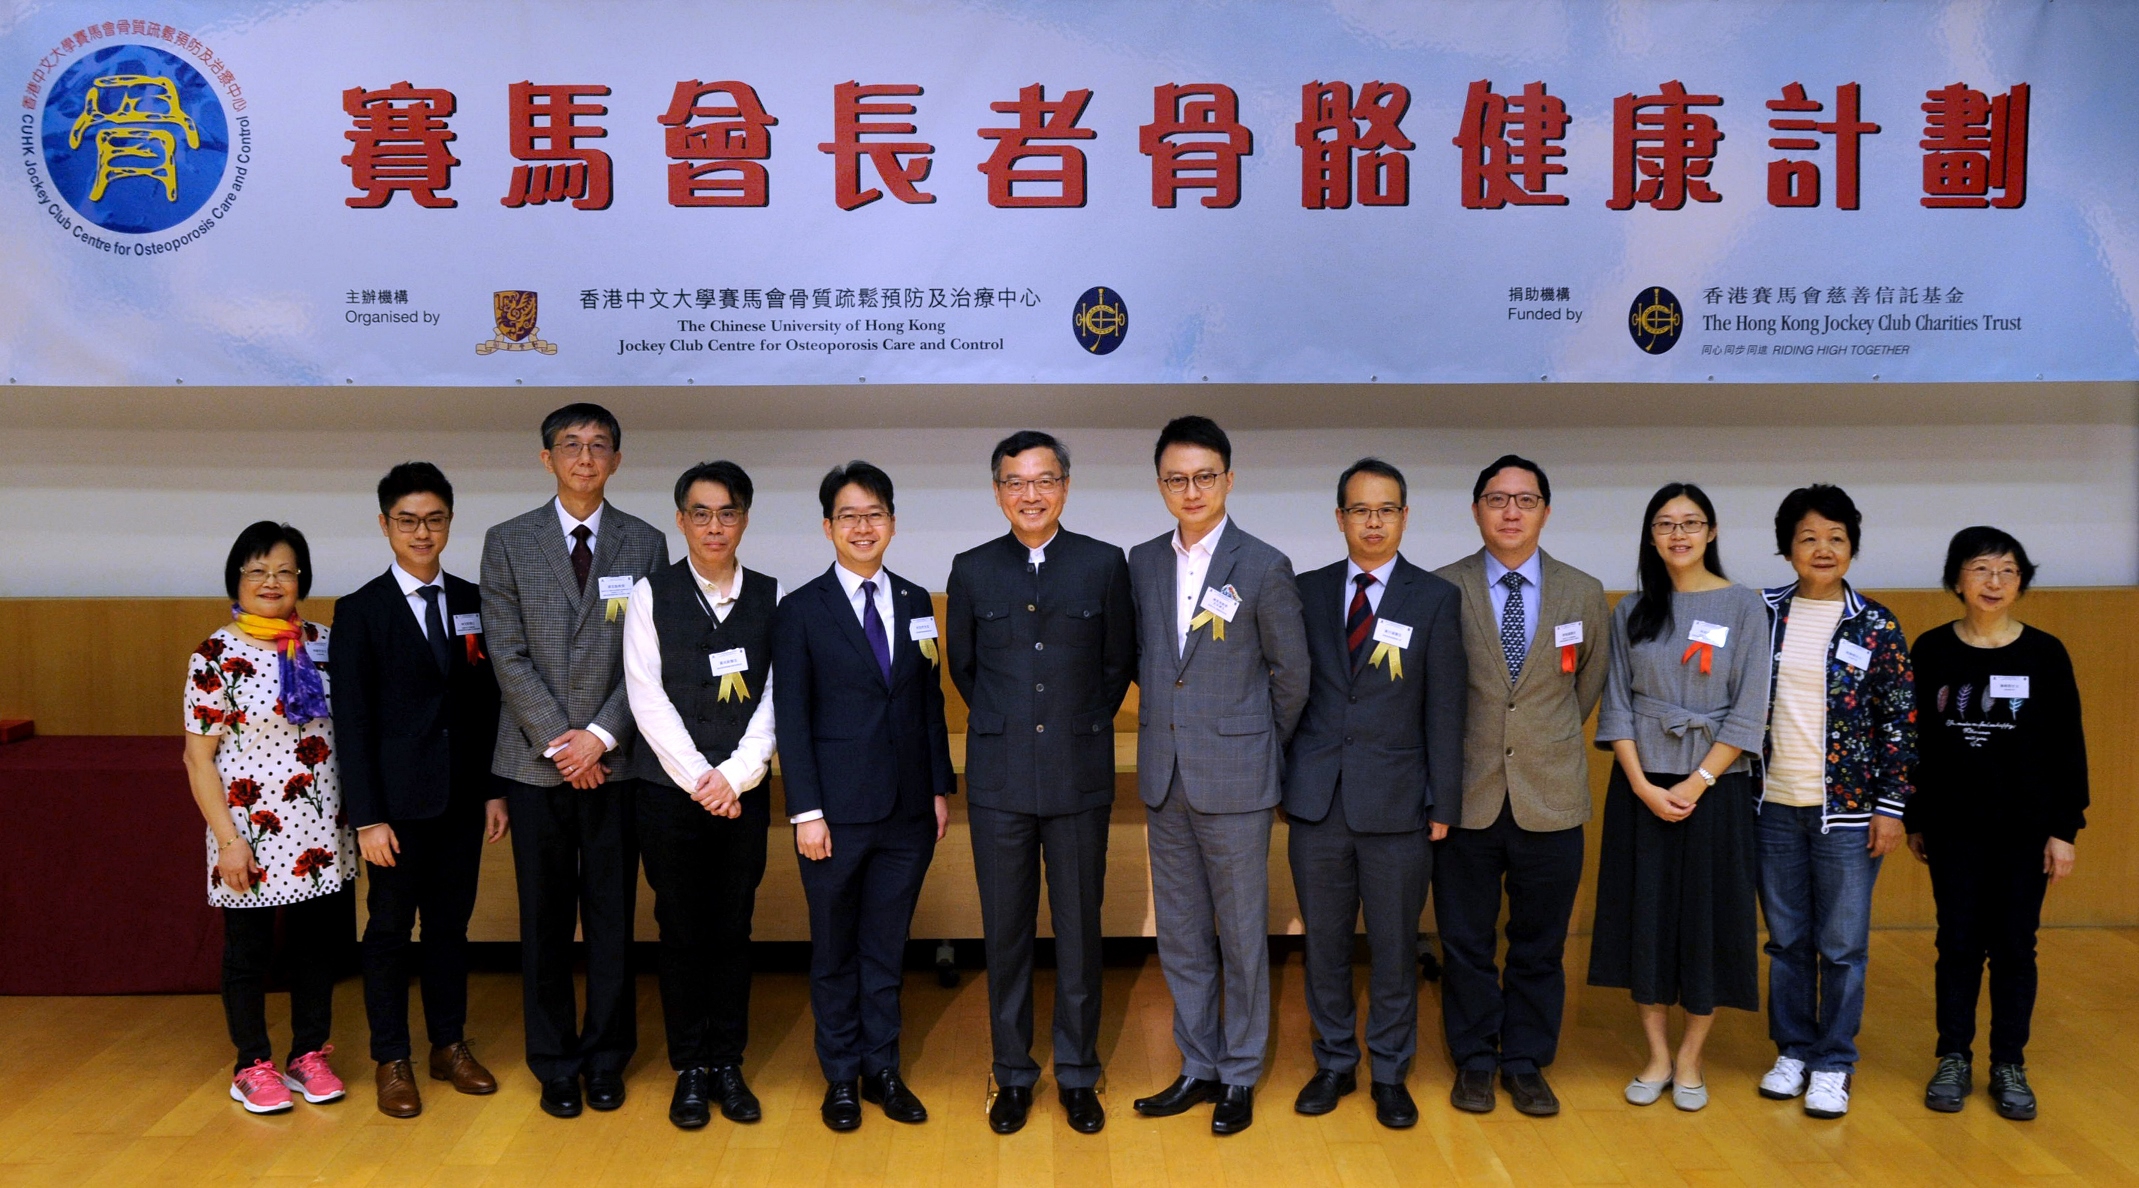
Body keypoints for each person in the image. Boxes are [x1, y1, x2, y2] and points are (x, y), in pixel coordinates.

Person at [480, 403, 669, 1118]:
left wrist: (601, 737)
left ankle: (607, 1057)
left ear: (617, 460)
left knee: (615, 918)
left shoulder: (645, 543)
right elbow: (507, 653)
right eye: (570, 445)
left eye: (599, 446)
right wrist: (564, 742)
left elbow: (647, 662)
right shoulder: (507, 542)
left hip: (617, 765)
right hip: (535, 766)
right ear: (546, 458)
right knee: (545, 919)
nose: (585, 457)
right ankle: (554, 1059)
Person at [945, 431, 1135, 1136]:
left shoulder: (1101, 565)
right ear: (997, 491)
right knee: (1006, 934)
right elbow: (966, 670)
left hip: (1078, 775)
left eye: (1043, 480)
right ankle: (1013, 1072)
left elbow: (1116, 665)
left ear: (1064, 486)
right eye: (1014, 482)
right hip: (997, 781)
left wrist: (1072, 726)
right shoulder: (970, 569)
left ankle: (1079, 1073)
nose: (1030, 494)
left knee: (1081, 931)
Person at [1128, 416, 1310, 1137]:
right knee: (1179, 935)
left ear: (1228, 480)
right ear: (1161, 485)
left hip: (1236, 779)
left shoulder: (1262, 564)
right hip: (1163, 777)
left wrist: (1255, 743)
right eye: (1176, 478)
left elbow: (1292, 677)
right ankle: (1196, 1065)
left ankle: (1239, 1072)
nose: (1191, 490)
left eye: (1205, 476)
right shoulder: (1140, 562)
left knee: (1238, 935)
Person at [773, 461, 955, 1132]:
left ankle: (883, 1069)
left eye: (874, 514)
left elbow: (928, 701)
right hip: (834, 818)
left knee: (886, 948)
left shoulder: (914, 603)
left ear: (893, 523)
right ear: (827, 527)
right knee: (834, 951)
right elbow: (792, 718)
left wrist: (939, 786)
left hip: (908, 811)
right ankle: (840, 1076)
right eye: (848, 516)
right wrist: (806, 811)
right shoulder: (799, 611)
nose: (862, 526)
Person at [1283, 458, 1464, 1130]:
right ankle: (1333, 1062)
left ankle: (1389, 1070)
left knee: (1393, 946)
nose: (1373, 522)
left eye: (1385, 509)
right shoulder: (1304, 591)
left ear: (1404, 517)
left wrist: (1442, 801)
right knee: (1324, 944)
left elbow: (1445, 707)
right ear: (1339, 519)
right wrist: (1282, 781)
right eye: (1359, 510)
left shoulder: (1433, 598)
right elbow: (1286, 693)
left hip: (1398, 806)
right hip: (1317, 802)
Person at [1432, 455, 1610, 1118]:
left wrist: (1543, 741)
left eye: (1525, 499)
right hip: (1467, 798)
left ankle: (1526, 1059)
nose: (1510, 512)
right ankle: (1475, 1058)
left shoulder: (1583, 592)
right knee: (1466, 941)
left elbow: (1583, 687)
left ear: (1544, 510)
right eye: (1496, 499)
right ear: (1476, 509)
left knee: (1539, 941)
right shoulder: (1440, 589)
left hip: (1551, 795)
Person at [330, 463, 507, 1118]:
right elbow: (352, 722)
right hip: (395, 810)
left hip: (462, 799)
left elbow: (488, 703)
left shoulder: (472, 600)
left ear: (449, 523)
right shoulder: (360, 611)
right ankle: (391, 1057)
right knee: (387, 930)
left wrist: (494, 790)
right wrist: (368, 818)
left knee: (450, 929)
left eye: (434, 518)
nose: (421, 531)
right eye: (407, 520)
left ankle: (448, 1045)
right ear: (385, 526)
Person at [1588, 482, 1771, 1112]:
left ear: (1712, 531)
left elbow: (1751, 710)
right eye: (1665, 524)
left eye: (1692, 523)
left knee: (1707, 920)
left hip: (1715, 791)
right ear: (1651, 535)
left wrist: (1697, 781)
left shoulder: (1745, 607)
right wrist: (1641, 783)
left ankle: (1692, 1057)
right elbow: (1616, 704)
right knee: (1645, 917)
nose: (1679, 534)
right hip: (1640, 787)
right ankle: (1657, 1054)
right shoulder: (1632, 609)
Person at [1906, 527, 2086, 1122]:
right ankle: (1952, 1055)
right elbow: (1914, 743)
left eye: (2008, 571)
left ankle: (2009, 1062)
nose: (1994, 583)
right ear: (1956, 578)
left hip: (2024, 832)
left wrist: (2065, 829)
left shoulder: (2045, 653)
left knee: (2015, 947)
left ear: (2021, 583)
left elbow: (2068, 748)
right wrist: (1914, 815)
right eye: (1981, 569)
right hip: (1954, 828)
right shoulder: (1931, 650)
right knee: (1956, 944)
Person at [622, 461, 781, 1130]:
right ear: (681, 519)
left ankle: (728, 1062)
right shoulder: (649, 595)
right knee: (681, 930)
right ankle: (690, 1066)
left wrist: (737, 775)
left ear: (744, 518)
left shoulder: (773, 597)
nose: (714, 525)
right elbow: (645, 695)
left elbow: (777, 696)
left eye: (727, 512)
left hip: (742, 793)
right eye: (700, 513)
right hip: (669, 795)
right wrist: (699, 779)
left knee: (733, 928)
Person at [182, 521, 355, 1114]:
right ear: (237, 578)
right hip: (248, 829)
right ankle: (251, 1063)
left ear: (301, 576)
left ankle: (309, 1054)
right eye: (257, 571)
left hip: (320, 824)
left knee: (316, 948)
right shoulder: (215, 655)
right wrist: (228, 840)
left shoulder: (327, 641)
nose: (271, 581)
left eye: (283, 569)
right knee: (249, 951)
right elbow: (198, 759)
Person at [1754, 485, 1915, 1120]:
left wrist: (1892, 806)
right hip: (1770, 804)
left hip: (1848, 815)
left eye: (1836, 538)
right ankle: (1793, 1049)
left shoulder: (1875, 624)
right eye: (1808, 538)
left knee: (1842, 943)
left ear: (1852, 547)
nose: (1823, 549)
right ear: (1787, 547)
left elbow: (1898, 722)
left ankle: (1833, 1061)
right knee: (1786, 939)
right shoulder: (1763, 613)